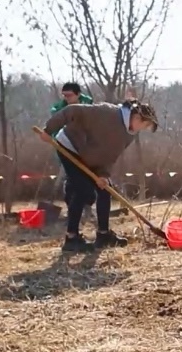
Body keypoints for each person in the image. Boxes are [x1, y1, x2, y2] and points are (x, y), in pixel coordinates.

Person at [38, 100, 159, 252]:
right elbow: (71, 111)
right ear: (137, 118)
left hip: (90, 158)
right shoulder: (107, 113)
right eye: (145, 125)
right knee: (83, 191)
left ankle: (103, 235)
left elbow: (110, 155)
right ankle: (71, 238)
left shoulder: (130, 134)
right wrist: (49, 130)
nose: (143, 129)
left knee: (105, 189)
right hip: (70, 146)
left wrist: (103, 174)